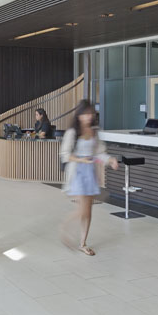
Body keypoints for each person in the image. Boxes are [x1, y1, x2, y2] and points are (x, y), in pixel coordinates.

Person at [59, 100, 118, 256]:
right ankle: (64, 228)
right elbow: (65, 154)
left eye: (90, 114)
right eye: (85, 114)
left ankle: (83, 243)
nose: (88, 117)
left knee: (88, 211)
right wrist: (81, 159)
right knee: (82, 209)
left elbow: (99, 152)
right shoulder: (72, 132)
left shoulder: (94, 131)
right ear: (79, 115)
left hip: (90, 173)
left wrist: (110, 160)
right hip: (78, 173)